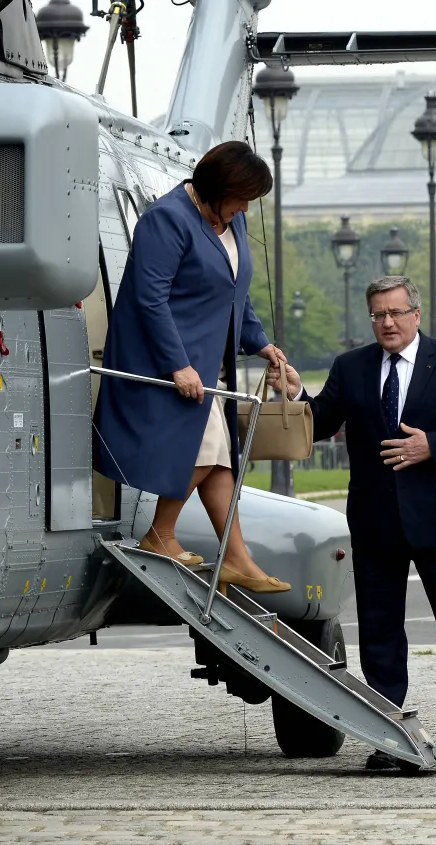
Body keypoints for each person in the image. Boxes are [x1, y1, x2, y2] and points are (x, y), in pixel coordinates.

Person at [270, 276, 436, 770]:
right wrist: (298, 397)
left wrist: (434, 445)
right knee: (381, 638)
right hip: (377, 523)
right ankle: (388, 741)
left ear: (416, 315)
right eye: (378, 315)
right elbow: (318, 424)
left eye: (396, 313)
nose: (387, 323)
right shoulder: (352, 367)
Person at [93, 141, 290, 593]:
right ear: (217, 188)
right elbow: (149, 298)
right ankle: (161, 535)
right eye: (241, 198)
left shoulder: (231, 220)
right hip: (172, 366)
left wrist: (262, 345)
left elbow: (234, 293)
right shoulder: (168, 219)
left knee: (218, 458)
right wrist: (177, 365)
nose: (245, 209)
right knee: (206, 450)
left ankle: (236, 558)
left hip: (208, 368)